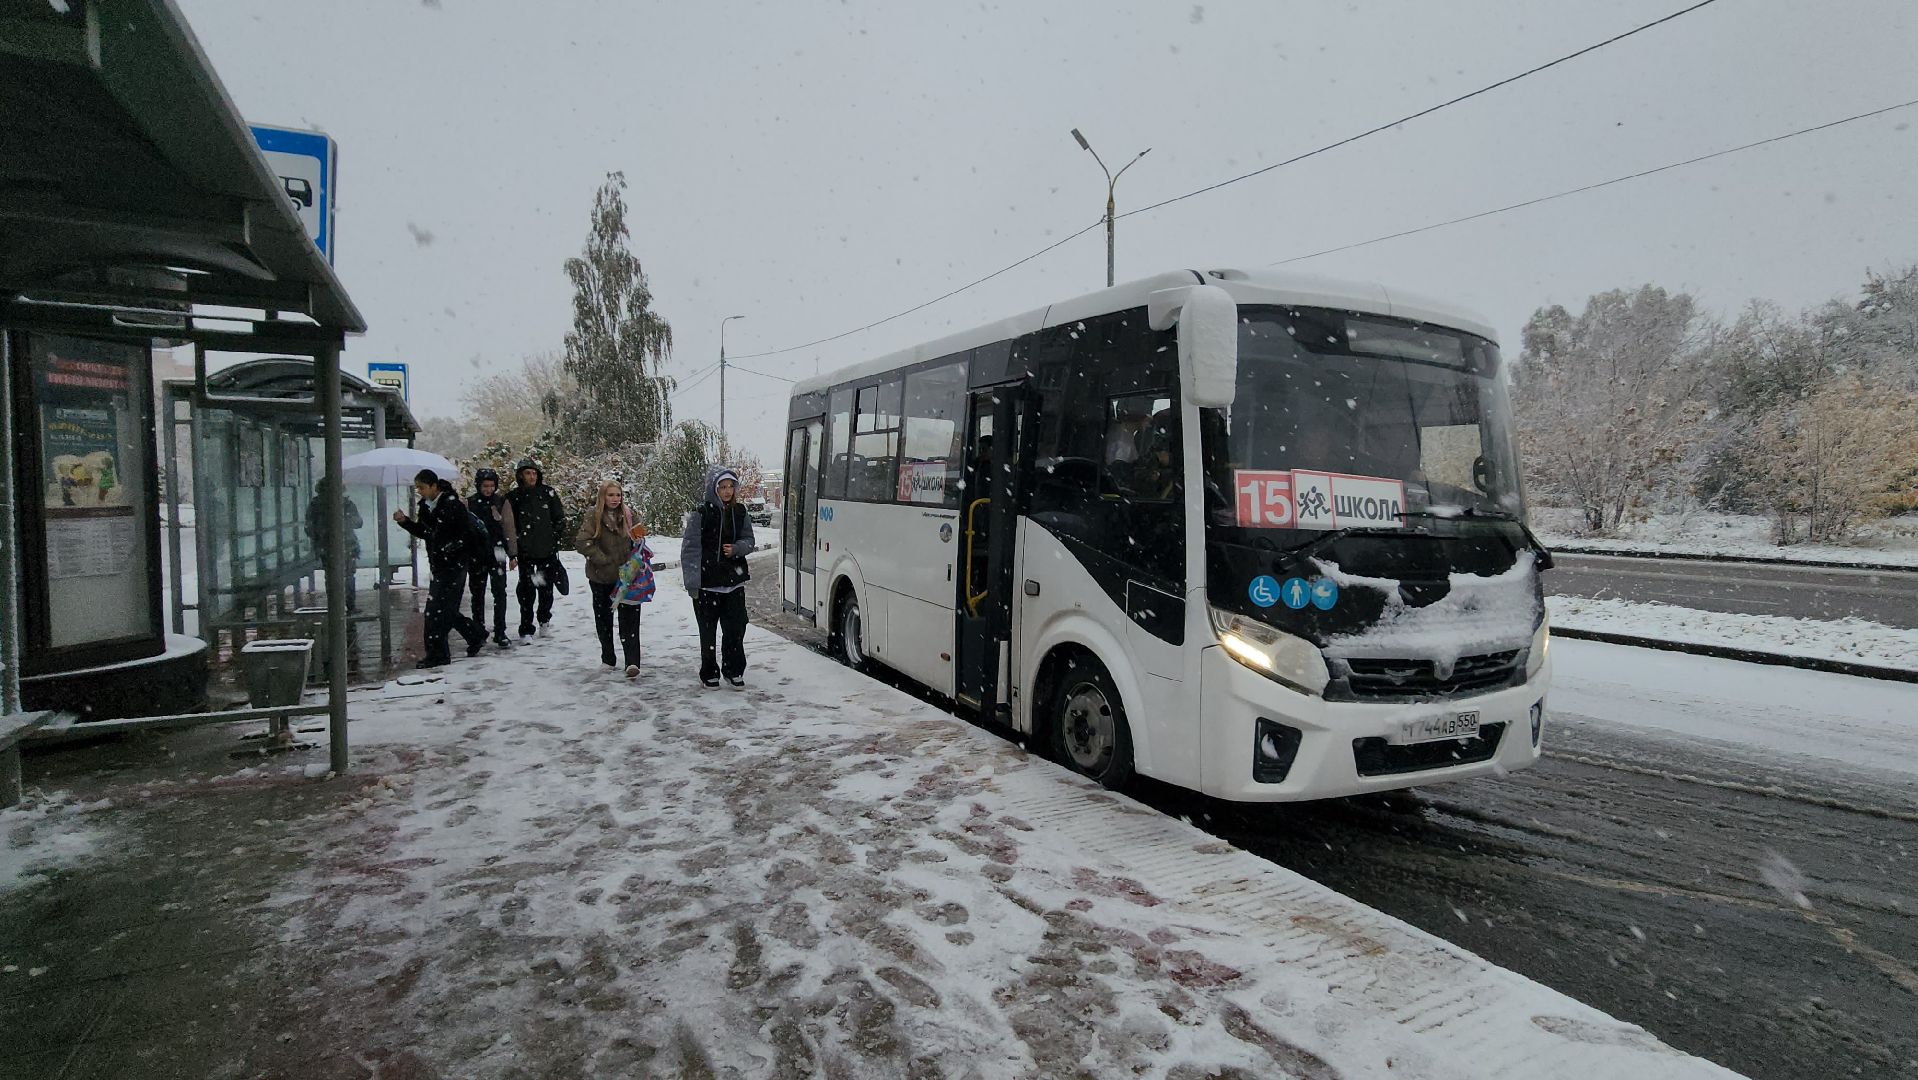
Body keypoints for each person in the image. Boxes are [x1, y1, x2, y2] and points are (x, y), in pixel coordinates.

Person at [393, 470, 485, 669]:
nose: (420, 491)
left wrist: (450, 547)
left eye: (422, 487)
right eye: (417, 488)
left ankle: (438, 654)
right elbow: (426, 532)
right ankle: (475, 634)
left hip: (454, 564)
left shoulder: (452, 505)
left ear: (434, 486)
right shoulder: (426, 506)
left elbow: (465, 534)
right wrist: (405, 522)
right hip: (439, 564)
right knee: (445, 609)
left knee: (436, 611)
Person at [681, 467, 756, 689]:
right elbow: (690, 549)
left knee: (736, 630)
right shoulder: (701, 513)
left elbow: (749, 540)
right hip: (707, 585)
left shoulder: (740, 512)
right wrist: (692, 582)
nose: (727, 491)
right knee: (708, 632)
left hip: (734, 583)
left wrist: (737, 548)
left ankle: (733, 669)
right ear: (713, 489)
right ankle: (709, 671)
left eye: (731, 486)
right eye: (722, 487)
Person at [576, 479, 644, 678]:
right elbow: (582, 542)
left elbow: (641, 538)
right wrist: (602, 559)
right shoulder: (593, 515)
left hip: (627, 577)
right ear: (603, 496)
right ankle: (608, 658)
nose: (615, 499)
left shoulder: (629, 514)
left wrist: (638, 544)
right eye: (611, 495)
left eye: (618, 495)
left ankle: (632, 661)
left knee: (630, 620)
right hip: (601, 577)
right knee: (604, 620)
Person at [505, 457, 568, 640]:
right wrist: (514, 550)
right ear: (520, 475)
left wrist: (553, 537)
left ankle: (544, 620)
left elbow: (559, 518)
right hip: (525, 552)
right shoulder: (514, 497)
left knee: (546, 589)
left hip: (547, 551)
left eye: (534, 473)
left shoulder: (548, 493)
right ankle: (526, 628)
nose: (531, 477)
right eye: (527, 473)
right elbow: (509, 525)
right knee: (526, 591)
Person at [466, 467, 517, 647]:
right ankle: (478, 630)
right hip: (476, 554)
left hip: (498, 552)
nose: (488, 489)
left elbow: (509, 527)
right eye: (485, 486)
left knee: (500, 592)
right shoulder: (470, 503)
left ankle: (500, 630)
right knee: (477, 593)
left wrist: (513, 554)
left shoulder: (501, 502)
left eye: (491, 486)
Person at [305, 475, 364, 612]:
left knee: (330, 576)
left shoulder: (315, 505)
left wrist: (321, 535)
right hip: (347, 546)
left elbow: (309, 528)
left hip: (326, 547)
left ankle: (335, 607)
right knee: (348, 575)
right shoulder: (346, 504)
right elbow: (358, 523)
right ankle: (350, 605)